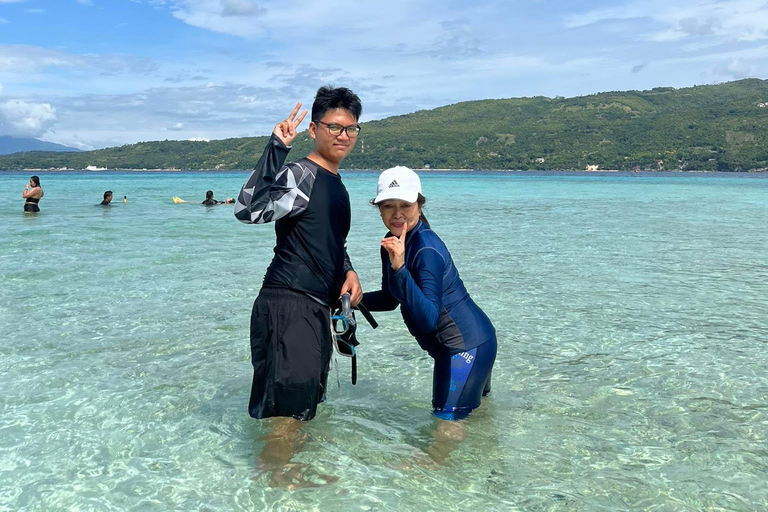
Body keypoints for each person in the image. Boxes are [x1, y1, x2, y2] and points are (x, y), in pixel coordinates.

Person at [234, 86, 363, 485]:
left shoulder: (335, 183)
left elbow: (329, 241)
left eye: (351, 129)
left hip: (312, 306)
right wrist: (276, 148)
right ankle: (276, 476)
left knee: (303, 400)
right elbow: (247, 210)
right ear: (314, 129)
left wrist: (349, 270)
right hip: (288, 301)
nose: (343, 135)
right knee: (289, 406)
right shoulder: (301, 174)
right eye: (334, 127)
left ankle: (281, 474)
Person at [361, 166, 497, 424]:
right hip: (478, 341)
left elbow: (428, 320)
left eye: (405, 205)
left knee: (445, 430)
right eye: (388, 206)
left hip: (464, 350)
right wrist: (348, 300)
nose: (397, 214)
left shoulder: (425, 250)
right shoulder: (394, 242)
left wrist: (400, 268)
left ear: (419, 205)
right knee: (477, 425)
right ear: (379, 209)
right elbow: (391, 299)